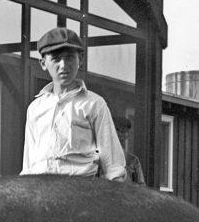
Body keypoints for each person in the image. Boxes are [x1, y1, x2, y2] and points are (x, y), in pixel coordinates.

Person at [21, 27, 128, 181]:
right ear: (43, 63)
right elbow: (29, 163)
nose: (64, 65)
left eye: (70, 57)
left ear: (81, 60)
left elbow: (113, 164)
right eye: (56, 59)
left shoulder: (94, 104)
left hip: (80, 191)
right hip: (41, 189)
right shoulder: (35, 108)